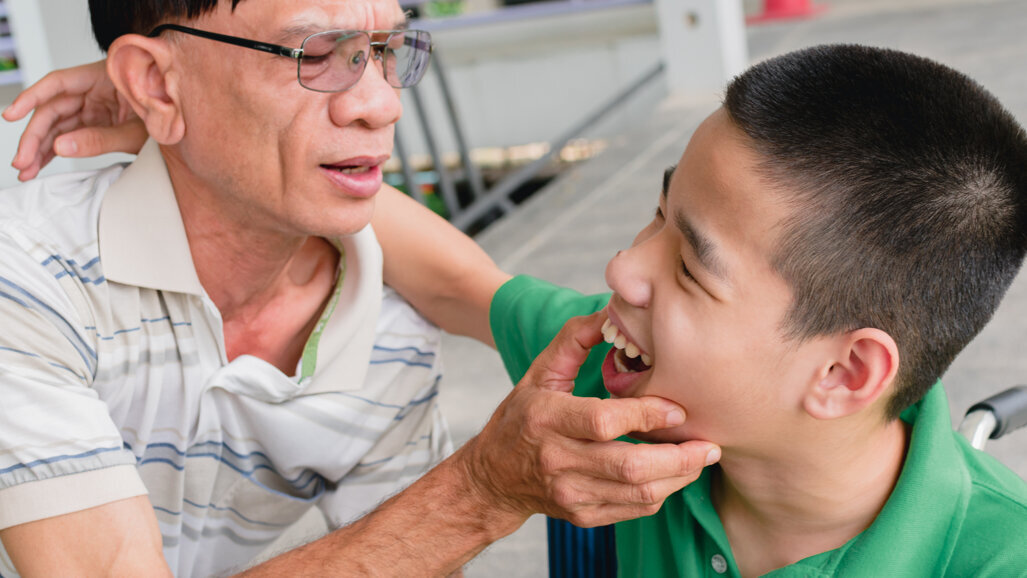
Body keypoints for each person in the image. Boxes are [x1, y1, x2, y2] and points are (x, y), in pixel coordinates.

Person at [17, 35, 1026, 578]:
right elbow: (467, 284)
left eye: (688, 267)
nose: (623, 268)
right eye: (655, 217)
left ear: (847, 372)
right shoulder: (605, 376)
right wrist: (181, 117)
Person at [0, 1, 719, 576]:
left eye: (383, 51)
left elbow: (470, 290)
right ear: (154, 80)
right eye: (316, 53)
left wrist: (185, 112)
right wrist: (481, 489)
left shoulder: (388, 332)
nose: (381, 106)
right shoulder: (26, 277)